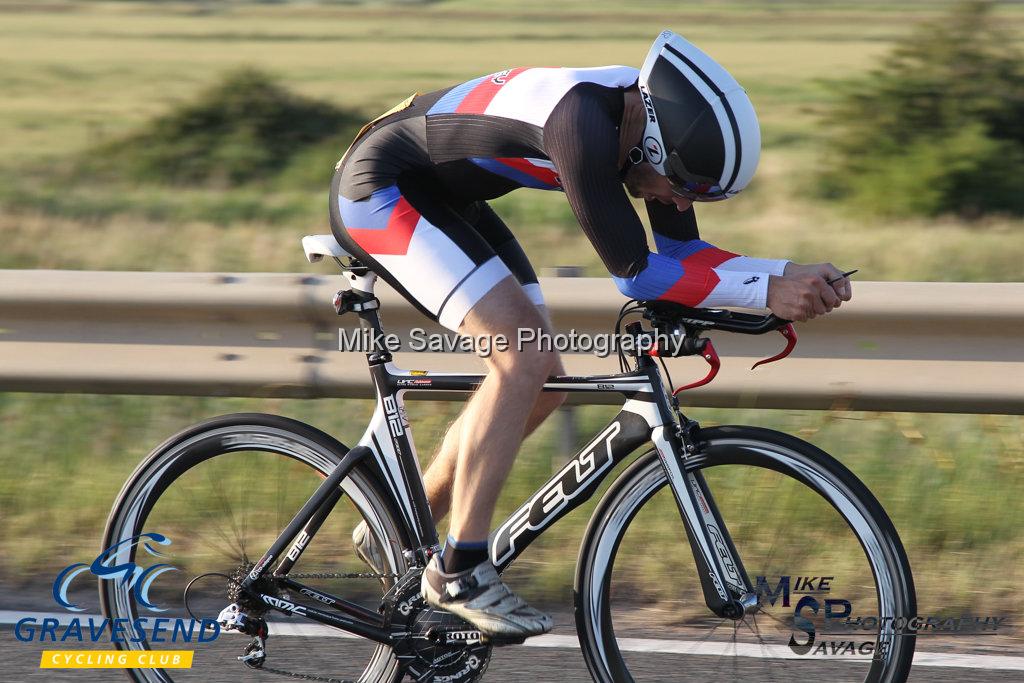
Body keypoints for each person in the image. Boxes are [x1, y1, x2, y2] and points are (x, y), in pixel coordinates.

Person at [331, 30, 852, 640]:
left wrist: (780, 274)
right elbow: (637, 274)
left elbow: (683, 251)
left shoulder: (650, 126)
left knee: (546, 381)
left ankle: (393, 527)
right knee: (520, 360)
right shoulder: (580, 122)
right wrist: (766, 289)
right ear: (655, 146)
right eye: (677, 187)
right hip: (380, 187)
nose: (673, 201)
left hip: (444, 196)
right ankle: (460, 571)